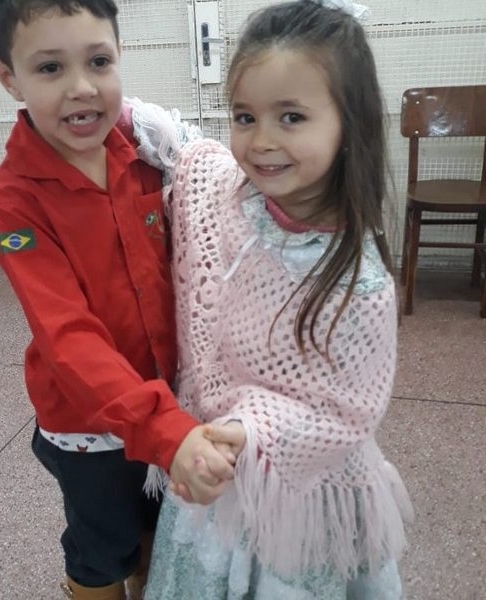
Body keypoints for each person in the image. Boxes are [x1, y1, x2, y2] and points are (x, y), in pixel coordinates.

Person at [140, 1, 414, 598]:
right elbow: (185, 150)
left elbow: (345, 412)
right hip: (214, 469)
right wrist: (110, 108)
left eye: (291, 117)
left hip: (294, 495)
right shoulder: (227, 195)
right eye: (245, 116)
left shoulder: (360, 282)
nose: (261, 141)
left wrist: (252, 431)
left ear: (350, 124)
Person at [0, 2, 238, 599]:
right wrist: (166, 431)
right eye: (50, 68)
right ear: (8, 77)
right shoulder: (14, 203)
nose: (82, 87)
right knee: (103, 550)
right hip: (90, 429)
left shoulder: (148, 151)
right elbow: (68, 339)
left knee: (158, 532)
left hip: (168, 402)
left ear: (120, 56)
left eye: (98, 61)